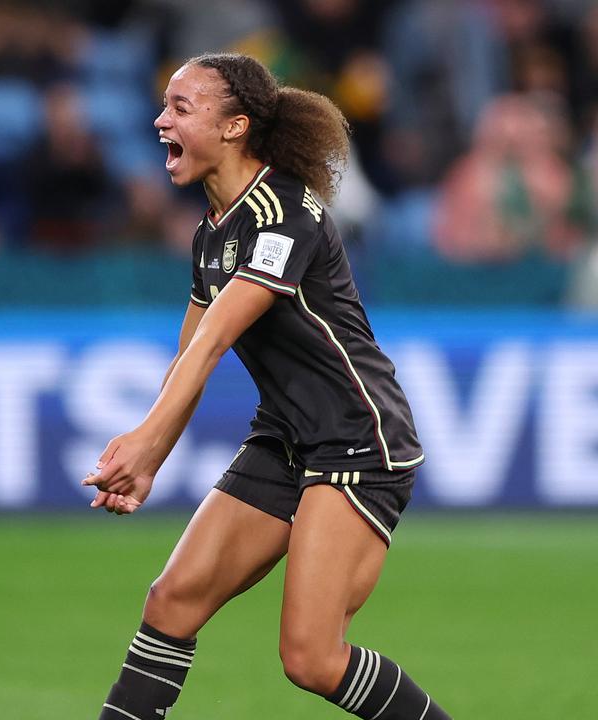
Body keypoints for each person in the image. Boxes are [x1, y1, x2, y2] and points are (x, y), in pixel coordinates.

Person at [82, 53, 451, 720]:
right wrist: (149, 461)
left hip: (357, 442)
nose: (160, 119)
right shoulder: (210, 235)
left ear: (235, 126)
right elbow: (189, 356)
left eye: (181, 108)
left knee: (312, 659)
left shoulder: (286, 211)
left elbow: (218, 337)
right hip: (286, 440)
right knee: (171, 602)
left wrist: (144, 442)